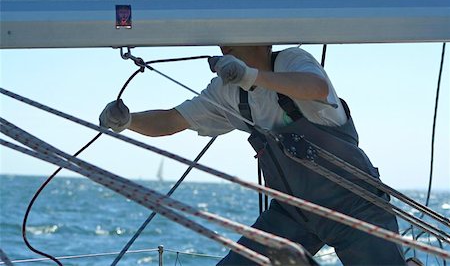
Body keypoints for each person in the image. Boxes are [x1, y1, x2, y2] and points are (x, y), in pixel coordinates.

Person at [100, 45, 406, 265]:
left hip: (355, 207)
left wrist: (251, 76)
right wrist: (128, 122)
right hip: (293, 213)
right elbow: (172, 120)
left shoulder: (292, 61)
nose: (223, 44)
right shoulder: (225, 90)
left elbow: (316, 86)